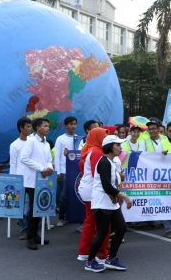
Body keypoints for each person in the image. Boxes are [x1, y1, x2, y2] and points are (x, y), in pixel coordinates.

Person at [84, 135, 132, 273]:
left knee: (121, 228)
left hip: (111, 202)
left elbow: (113, 184)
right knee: (102, 233)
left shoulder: (111, 162)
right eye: (118, 145)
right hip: (101, 202)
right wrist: (125, 197)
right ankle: (90, 261)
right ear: (111, 146)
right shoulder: (104, 162)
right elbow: (106, 187)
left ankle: (111, 259)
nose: (121, 147)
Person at [19, 118, 53, 250]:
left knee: (39, 208)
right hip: (32, 181)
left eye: (48, 125)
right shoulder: (31, 141)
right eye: (45, 126)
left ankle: (35, 235)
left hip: (43, 180)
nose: (47, 128)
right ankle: (30, 237)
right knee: (33, 209)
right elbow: (24, 158)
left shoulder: (46, 143)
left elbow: (49, 159)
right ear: (38, 128)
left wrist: (49, 168)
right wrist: (41, 168)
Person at [77, 127, 109, 263]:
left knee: (90, 221)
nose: (106, 140)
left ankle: (84, 251)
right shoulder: (96, 152)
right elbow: (100, 174)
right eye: (104, 137)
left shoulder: (90, 149)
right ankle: (98, 254)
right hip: (93, 190)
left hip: (88, 189)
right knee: (99, 223)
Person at [9, 117, 32, 240]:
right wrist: (14, 179)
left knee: (29, 206)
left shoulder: (33, 142)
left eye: (30, 126)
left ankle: (30, 227)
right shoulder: (15, 145)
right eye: (27, 127)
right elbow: (13, 163)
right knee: (20, 206)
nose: (29, 129)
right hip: (20, 179)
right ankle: (24, 229)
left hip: (32, 179)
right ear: (21, 128)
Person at [54, 116, 78, 227]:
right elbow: (57, 157)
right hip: (63, 171)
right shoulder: (60, 139)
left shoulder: (79, 138)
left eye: (74, 124)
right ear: (66, 126)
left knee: (76, 194)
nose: (73, 126)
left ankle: (73, 216)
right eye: (71, 124)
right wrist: (58, 172)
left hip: (76, 171)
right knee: (64, 195)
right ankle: (61, 217)